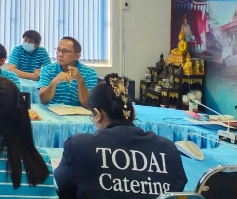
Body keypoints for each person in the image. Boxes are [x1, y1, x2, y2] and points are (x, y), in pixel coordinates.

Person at [54, 74, 187, 198]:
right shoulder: (168, 149)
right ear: (133, 113)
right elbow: (177, 189)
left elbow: (63, 190)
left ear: (98, 114)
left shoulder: (79, 146)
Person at [38, 36, 97, 108]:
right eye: (58, 50)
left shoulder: (90, 73)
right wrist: (54, 82)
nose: (59, 54)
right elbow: (43, 100)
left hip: (79, 113)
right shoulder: (47, 70)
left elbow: (88, 105)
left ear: (77, 56)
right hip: (53, 112)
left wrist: (80, 81)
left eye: (65, 51)